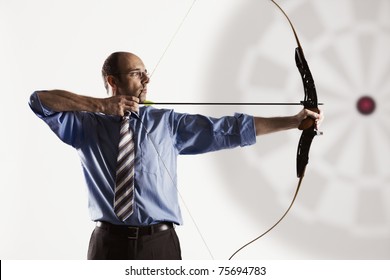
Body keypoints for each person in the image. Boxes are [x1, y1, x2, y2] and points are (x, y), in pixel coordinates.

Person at [29, 51, 322, 260]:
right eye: (136, 73)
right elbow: (39, 101)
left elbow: (227, 130)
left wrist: (293, 121)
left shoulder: (165, 122)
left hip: (160, 245)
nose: (146, 78)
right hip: (107, 245)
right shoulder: (85, 125)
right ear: (113, 81)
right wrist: (100, 105)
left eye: (146, 72)